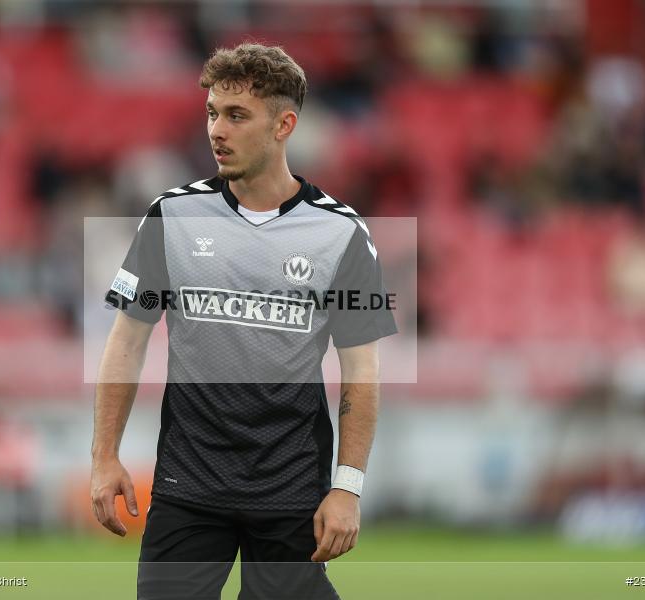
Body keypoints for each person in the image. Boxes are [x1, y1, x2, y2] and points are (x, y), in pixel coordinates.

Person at [91, 43, 397, 599]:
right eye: (212, 113)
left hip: (291, 490)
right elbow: (126, 341)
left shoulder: (341, 233)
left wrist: (347, 488)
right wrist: (104, 455)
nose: (216, 130)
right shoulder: (172, 215)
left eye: (236, 116)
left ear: (284, 125)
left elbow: (362, 370)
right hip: (189, 486)